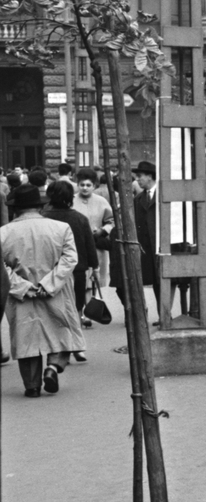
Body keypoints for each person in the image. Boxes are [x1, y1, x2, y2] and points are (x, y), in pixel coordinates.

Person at [2, 184, 79, 397]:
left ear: (15, 209)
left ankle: (32, 385)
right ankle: (53, 367)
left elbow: (1, 268)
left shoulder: (4, 233)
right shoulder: (61, 228)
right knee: (60, 329)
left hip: (21, 294)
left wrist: (23, 287)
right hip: (55, 289)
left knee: (26, 337)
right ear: (39, 205)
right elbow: (70, 258)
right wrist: (49, 284)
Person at [45, 180, 94, 360]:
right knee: (76, 307)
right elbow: (89, 245)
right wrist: (93, 266)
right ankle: (76, 345)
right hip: (77, 269)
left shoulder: (43, 217)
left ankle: (57, 348)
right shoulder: (79, 218)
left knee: (53, 310)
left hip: (49, 271)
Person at [110, 160, 159, 314]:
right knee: (148, 280)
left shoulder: (163, 196)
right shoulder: (138, 200)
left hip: (159, 245)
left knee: (161, 281)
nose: (137, 180)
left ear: (150, 176)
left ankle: (164, 314)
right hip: (144, 247)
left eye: (140, 176)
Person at [74, 168, 114, 284]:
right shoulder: (70, 201)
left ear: (94, 185)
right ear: (77, 185)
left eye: (88, 185)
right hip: (76, 247)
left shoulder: (101, 201)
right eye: (82, 185)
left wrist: (103, 231)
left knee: (94, 281)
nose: (85, 188)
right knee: (78, 281)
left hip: (97, 247)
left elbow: (111, 221)